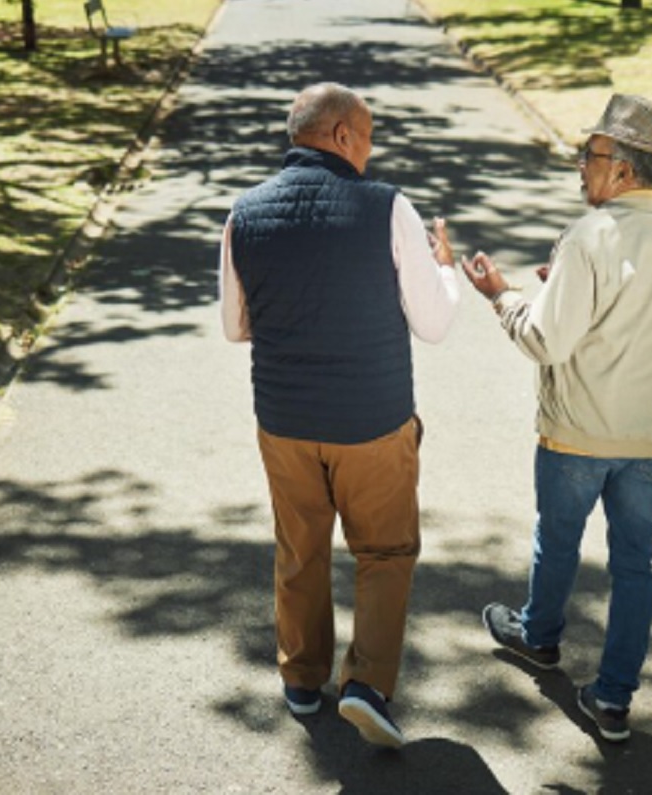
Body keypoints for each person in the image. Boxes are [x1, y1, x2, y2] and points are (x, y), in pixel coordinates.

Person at [219, 82, 459, 748]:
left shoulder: (245, 213)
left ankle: (302, 680)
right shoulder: (387, 208)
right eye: (370, 137)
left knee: (300, 549)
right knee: (384, 551)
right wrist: (446, 272)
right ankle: (368, 685)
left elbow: (235, 325)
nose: (370, 152)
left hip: (285, 420)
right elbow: (434, 324)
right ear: (344, 135)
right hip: (372, 420)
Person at [460, 94, 652, 743]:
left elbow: (544, 340)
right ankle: (615, 698)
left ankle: (540, 636)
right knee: (635, 563)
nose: (580, 166)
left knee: (559, 537)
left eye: (590, 155)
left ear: (623, 170)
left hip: (579, 431)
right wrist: (564, 286)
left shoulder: (589, 234)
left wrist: (501, 295)